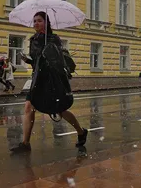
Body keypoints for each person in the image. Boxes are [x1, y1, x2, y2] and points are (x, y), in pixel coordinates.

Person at [10, 11, 87, 153]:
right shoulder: (33, 39)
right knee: (28, 107)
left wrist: (49, 49)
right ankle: (25, 143)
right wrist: (28, 60)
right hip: (38, 78)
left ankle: (81, 131)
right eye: (34, 21)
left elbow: (57, 61)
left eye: (39, 20)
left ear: (46, 23)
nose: (36, 24)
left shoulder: (54, 38)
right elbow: (37, 62)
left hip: (51, 80)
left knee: (60, 110)